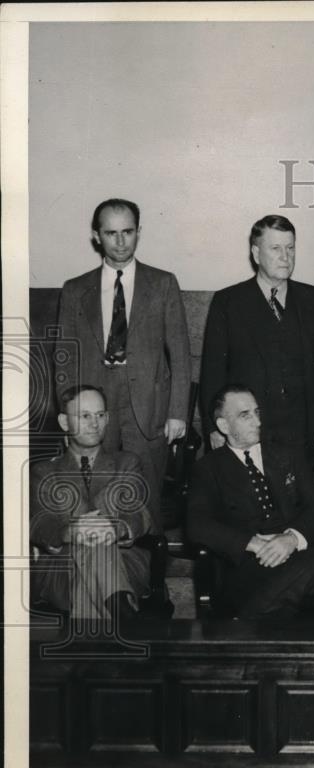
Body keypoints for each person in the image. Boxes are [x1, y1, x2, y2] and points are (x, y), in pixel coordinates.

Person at [56, 198, 191, 535]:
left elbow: (181, 353)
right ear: (96, 236)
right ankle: (102, 575)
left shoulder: (162, 284)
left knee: (145, 497)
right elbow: (64, 357)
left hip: (147, 411)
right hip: (93, 410)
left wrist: (177, 412)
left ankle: (148, 580)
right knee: (94, 493)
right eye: (111, 233)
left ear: (139, 232)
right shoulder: (75, 290)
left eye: (127, 232)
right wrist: (70, 413)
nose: (120, 241)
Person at [186, 385, 314, 620]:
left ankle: (245, 627)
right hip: (248, 567)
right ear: (223, 426)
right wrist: (254, 544)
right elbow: (197, 524)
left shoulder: (286, 456)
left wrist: (290, 539)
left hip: (296, 556)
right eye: (245, 415)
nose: (257, 422)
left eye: (257, 412)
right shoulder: (208, 468)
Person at [200, 215, 314, 463]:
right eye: (275, 248)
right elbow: (213, 371)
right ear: (256, 253)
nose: (285, 257)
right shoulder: (228, 302)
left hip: (302, 431)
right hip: (247, 432)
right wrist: (214, 427)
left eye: (290, 248)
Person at [30, 385, 153, 620]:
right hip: (61, 569)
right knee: (90, 546)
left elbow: (137, 512)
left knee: (95, 546)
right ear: (65, 422)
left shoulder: (126, 463)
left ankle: (109, 630)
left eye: (100, 415)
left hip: (124, 564)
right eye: (84, 416)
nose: (94, 423)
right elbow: (38, 523)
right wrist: (69, 532)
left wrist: (115, 528)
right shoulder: (44, 471)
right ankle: (124, 617)